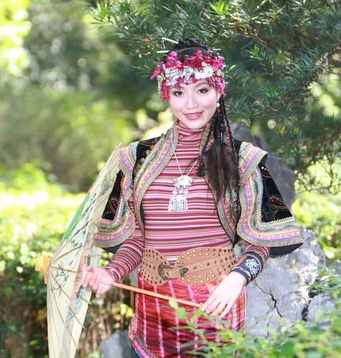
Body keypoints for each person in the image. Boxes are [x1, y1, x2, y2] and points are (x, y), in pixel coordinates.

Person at [81, 39, 304, 357]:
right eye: (179, 92)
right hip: (153, 311)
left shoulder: (243, 159)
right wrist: (110, 273)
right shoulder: (138, 159)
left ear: (219, 89)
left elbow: (262, 243)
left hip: (216, 307)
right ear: (165, 95)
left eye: (202, 90)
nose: (191, 104)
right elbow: (138, 239)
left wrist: (236, 279)